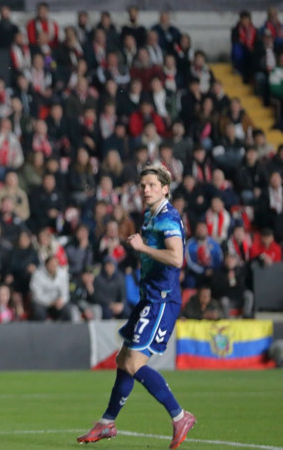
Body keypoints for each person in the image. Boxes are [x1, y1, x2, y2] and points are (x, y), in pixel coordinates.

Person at [78, 163, 196, 449]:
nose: (145, 190)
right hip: (149, 297)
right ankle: (107, 422)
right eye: (143, 185)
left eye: (152, 185)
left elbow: (177, 258)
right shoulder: (150, 214)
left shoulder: (167, 217)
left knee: (132, 363)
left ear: (165, 188)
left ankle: (179, 416)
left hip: (162, 299)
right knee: (122, 361)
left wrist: (142, 248)